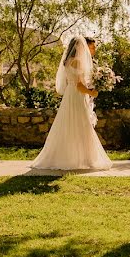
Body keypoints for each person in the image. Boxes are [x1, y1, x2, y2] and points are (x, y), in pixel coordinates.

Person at [30, 35, 112, 170]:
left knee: (68, 124)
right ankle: (85, 158)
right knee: (82, 125)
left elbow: (74, 82)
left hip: (70, 95)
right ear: (80, 47)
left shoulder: (67, 61)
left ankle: (71, 156)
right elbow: (79, 85)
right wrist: (92, 93)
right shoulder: (78, 62)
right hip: (77, 96)